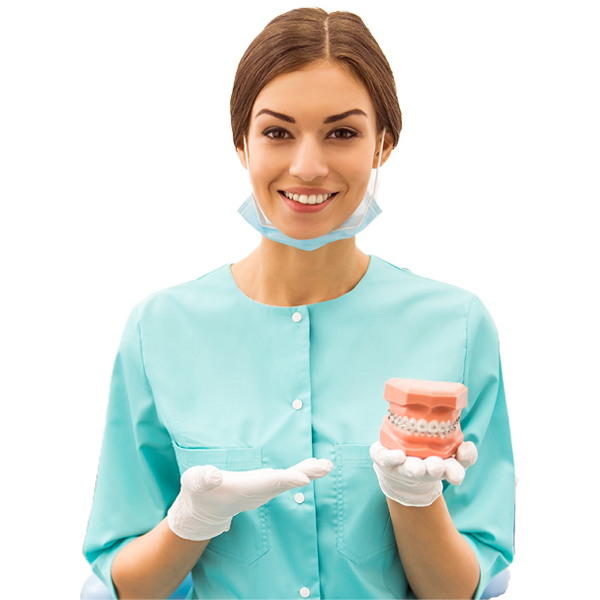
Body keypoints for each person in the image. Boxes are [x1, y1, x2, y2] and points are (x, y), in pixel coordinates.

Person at [83, 7, 514, 600]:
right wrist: (192, 521)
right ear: (241, 143)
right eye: (277, 132)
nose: (307, 166)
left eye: (342, 132)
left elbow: (466, 589)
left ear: (383, 145)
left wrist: (414, 500)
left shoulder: (456, 328)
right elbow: (123, 583)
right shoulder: (158, 331)